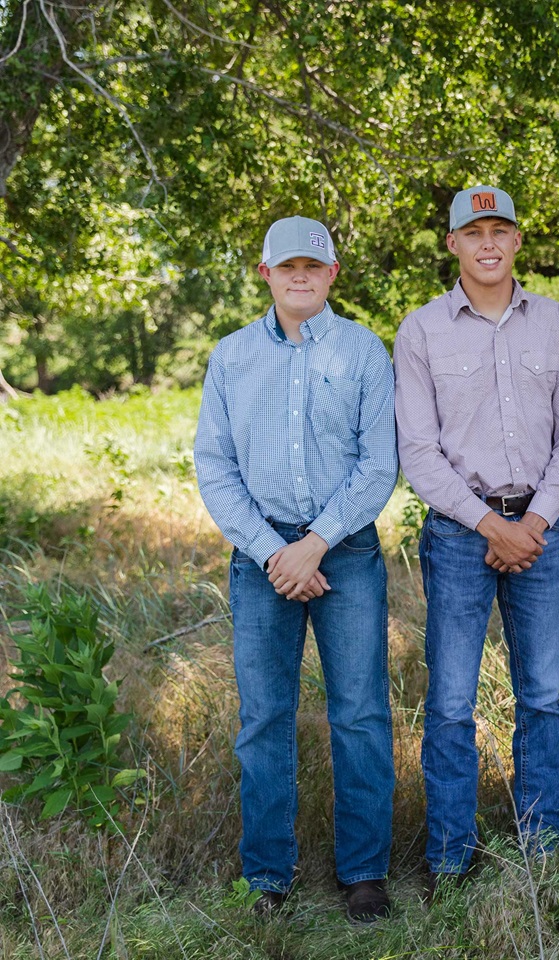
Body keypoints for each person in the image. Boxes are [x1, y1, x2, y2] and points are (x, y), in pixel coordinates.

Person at [194, 217, 398, 922]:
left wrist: (315, 542)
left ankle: (365, 873)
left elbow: (380, 464)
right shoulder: (231, 356)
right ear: (266, 274)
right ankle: (267, 877)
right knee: (264, 719)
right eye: (288, 267)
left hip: (346, 551)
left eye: (315, 265)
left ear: (334, 273)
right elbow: (214, 466)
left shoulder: (367, 351)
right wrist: (273, 550)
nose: (301, 276)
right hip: (261, 559)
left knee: (362, 713)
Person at [393, 185, 559, 892]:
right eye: (473, 232)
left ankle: (543, 843)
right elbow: (418, 451)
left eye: (500, 231)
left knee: (541, 695)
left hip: (540, 531)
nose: (487, 244)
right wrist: (489, 526)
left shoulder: (556, 325)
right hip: (458, 533)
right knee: (450, 700)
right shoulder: (421, 331)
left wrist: (531, 523)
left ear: (516, 242)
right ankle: (452, 855)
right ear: (452, 244)